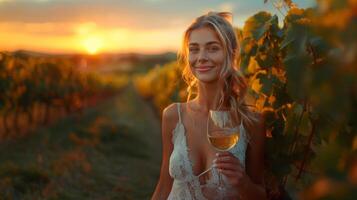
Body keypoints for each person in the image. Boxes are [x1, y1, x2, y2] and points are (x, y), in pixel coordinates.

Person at [151, 11, 267, 200]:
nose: (201, 57)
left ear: (231, 54)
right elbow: (164, 188)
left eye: (213, 48)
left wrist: (243, 183)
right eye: (194, 49)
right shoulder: (173, 115)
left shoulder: (252, 121)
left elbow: (261, 195)